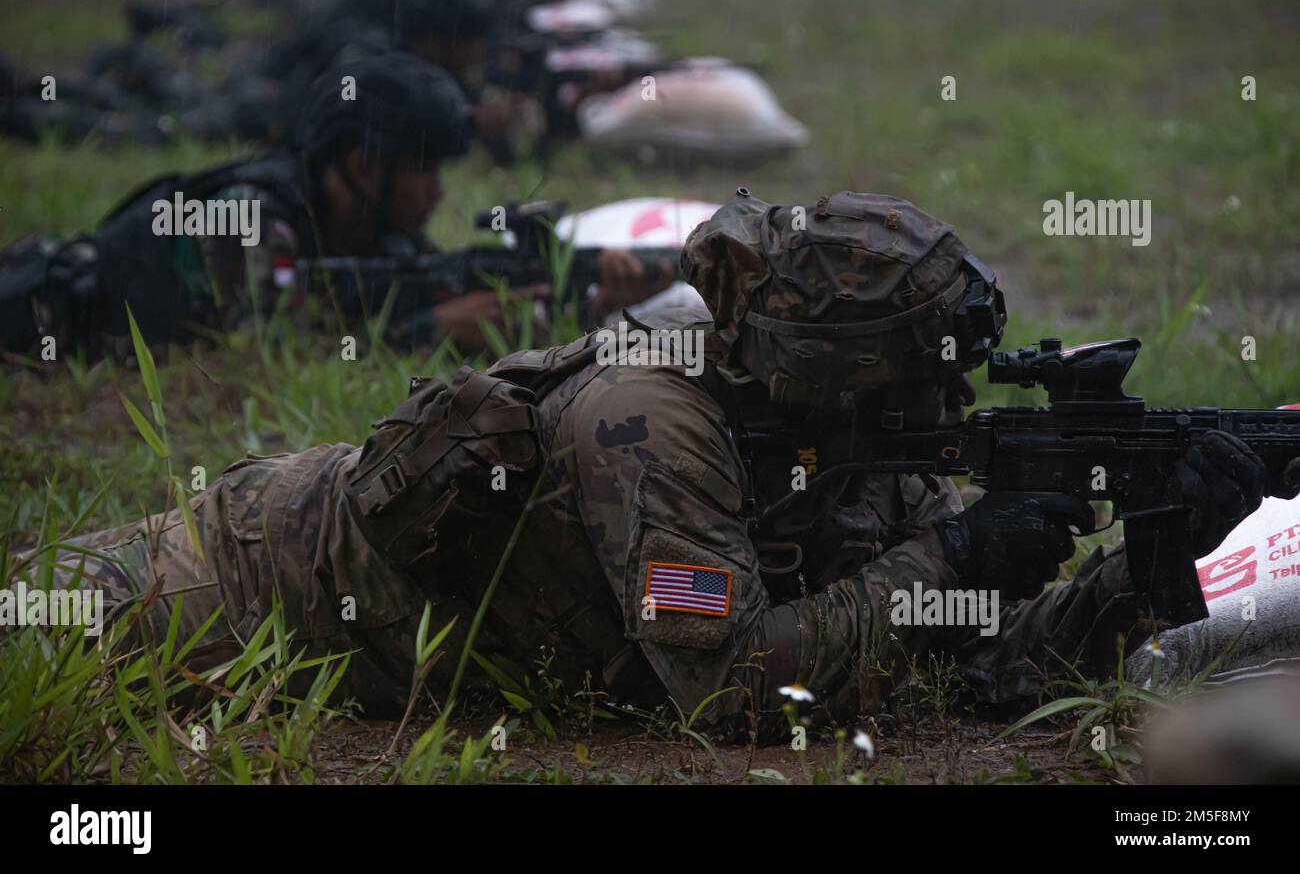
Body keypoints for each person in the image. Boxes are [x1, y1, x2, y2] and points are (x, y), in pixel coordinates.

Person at [24, 190, 1278, 739]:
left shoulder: (853, 440)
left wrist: (1155, 551)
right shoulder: (649, 421)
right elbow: (730, 691)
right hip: (241, 583)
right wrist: (953, 550)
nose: (948, 403)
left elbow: (978, 665)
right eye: (920, 374)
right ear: (831, 369)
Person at [0, 51, 668, 359]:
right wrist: (435, 327)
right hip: (32, 312)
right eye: (423, 170)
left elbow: (420, 287)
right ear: (362, 164)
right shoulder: (251, 215)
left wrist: (585, 293)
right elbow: (266, 348)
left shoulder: (373, 228)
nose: (437, 191)